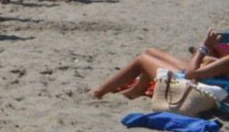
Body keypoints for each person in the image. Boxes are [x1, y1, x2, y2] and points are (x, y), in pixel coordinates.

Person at [90, 31, 229, 98]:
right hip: (210, 82)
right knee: (152, 52)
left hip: (197, 89)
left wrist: (203, 48)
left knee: (142, 60)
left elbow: (190, 74)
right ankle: (136, 90)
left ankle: (98, 92)